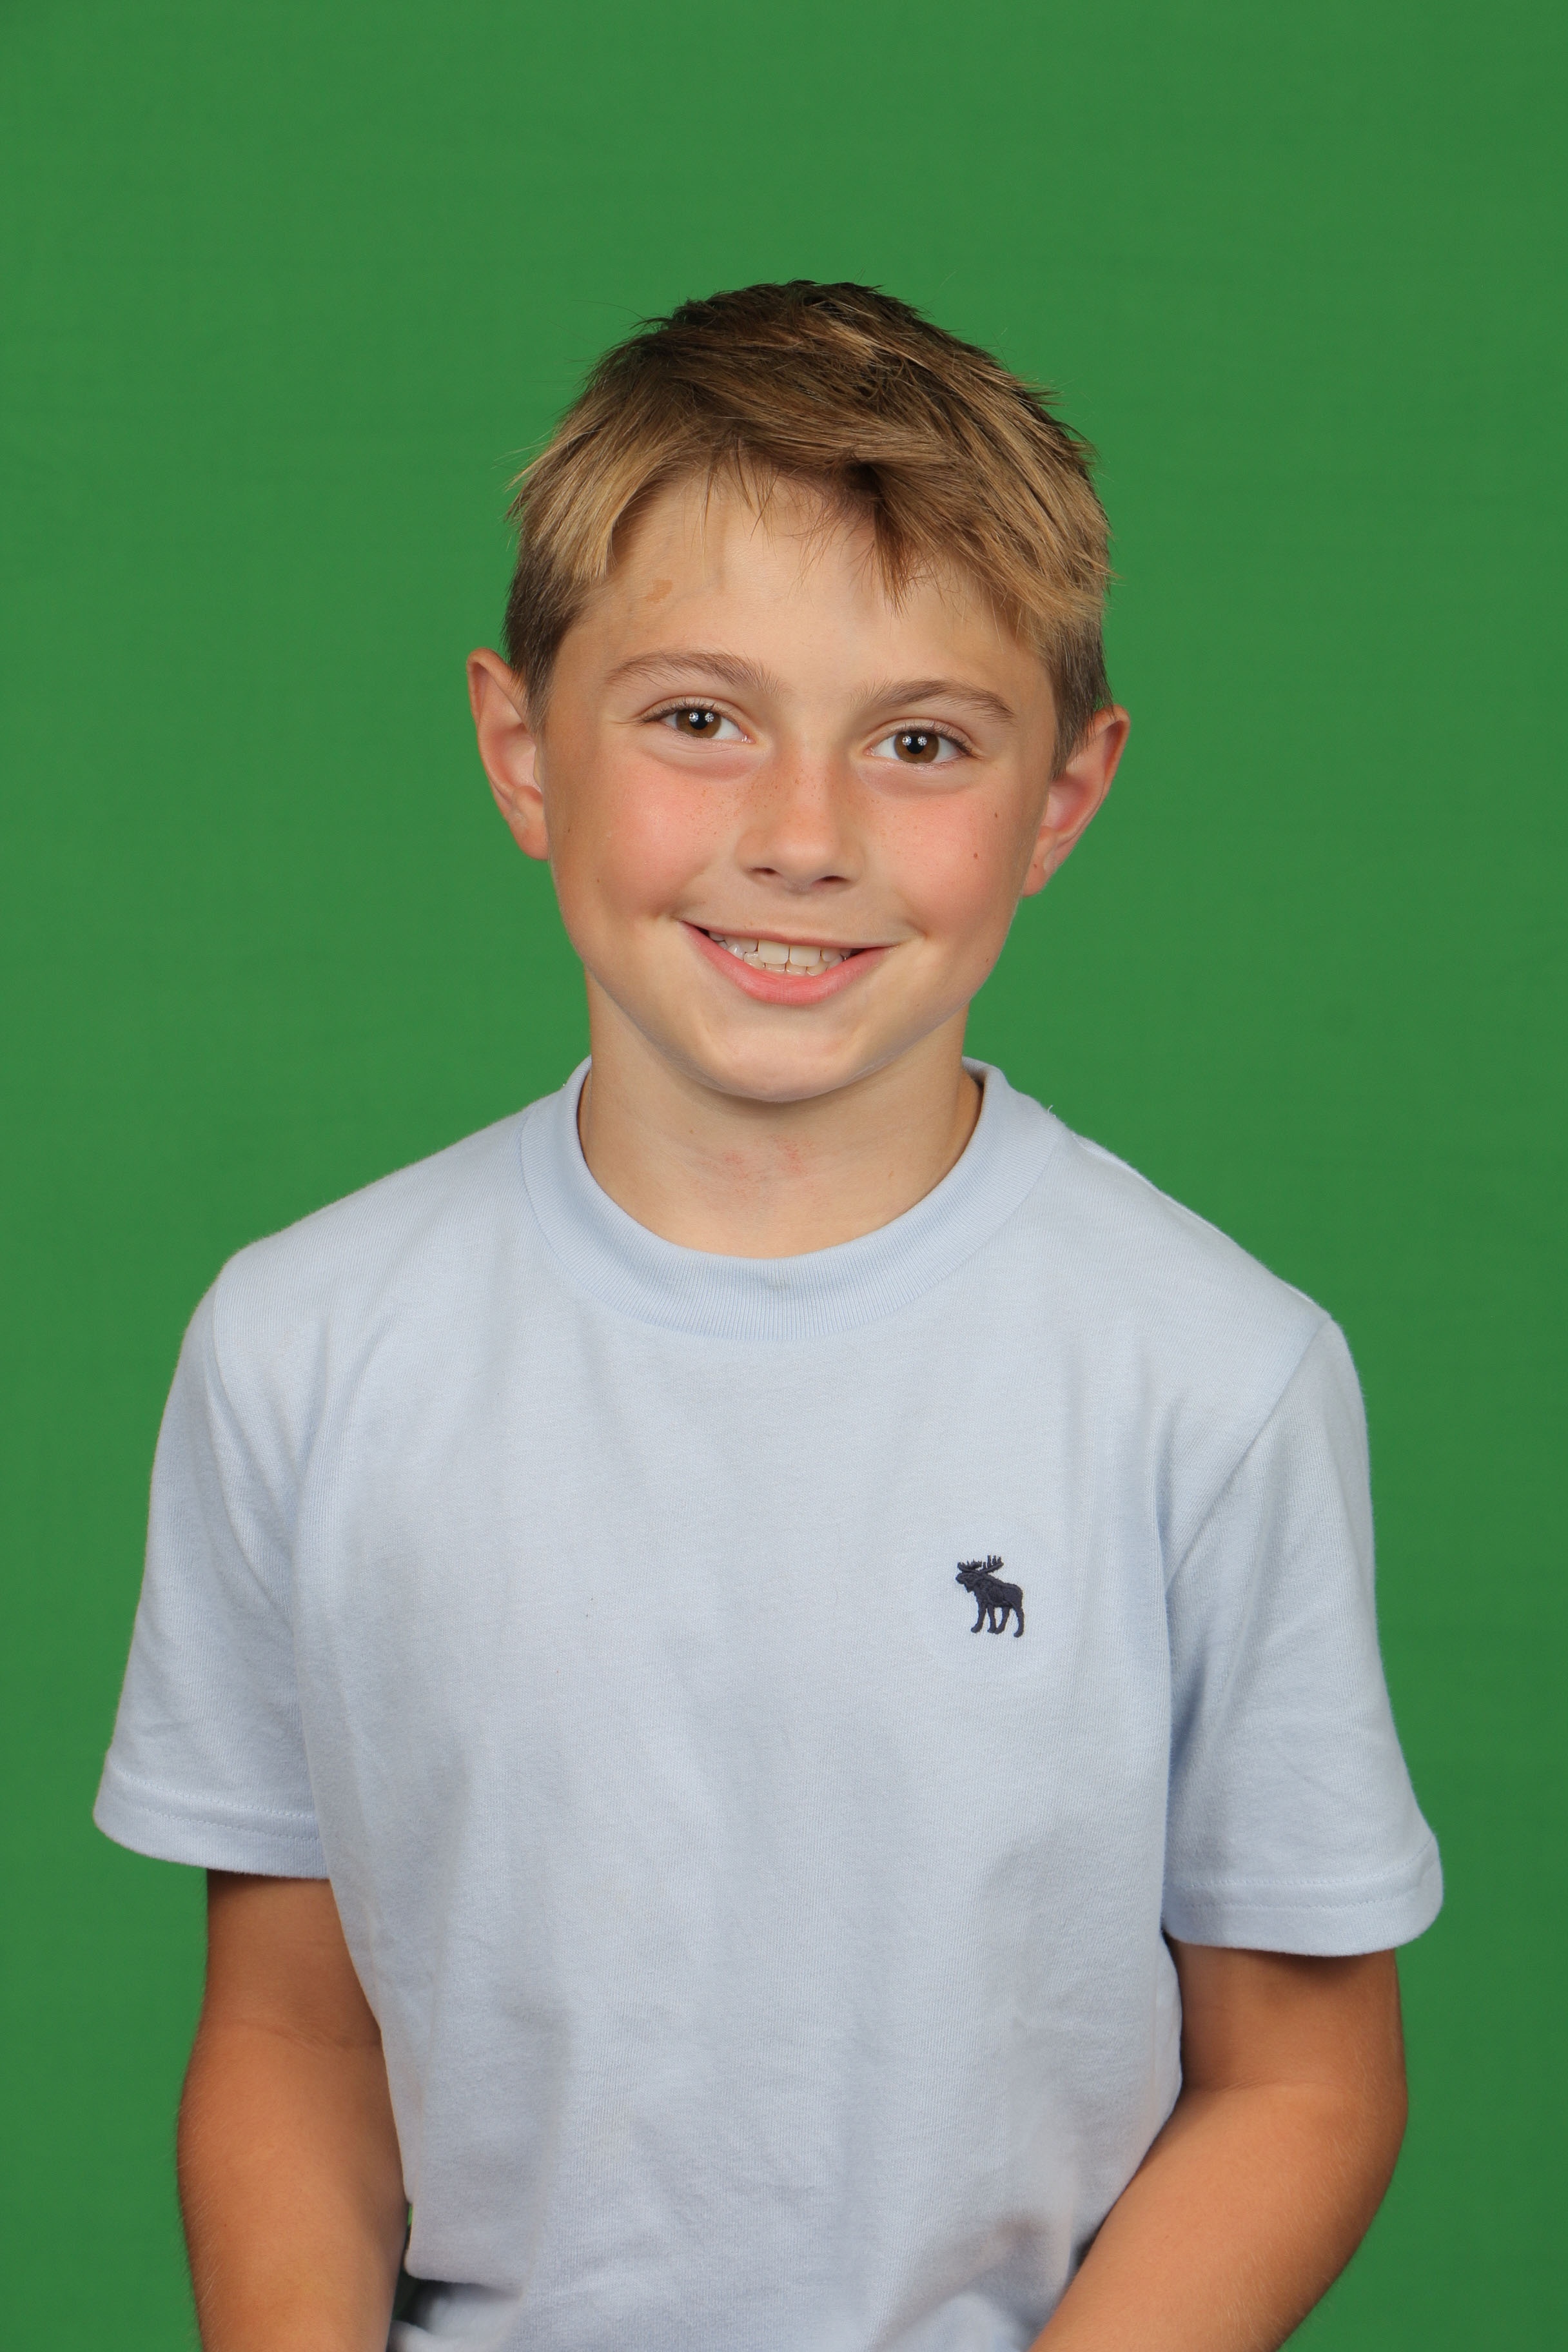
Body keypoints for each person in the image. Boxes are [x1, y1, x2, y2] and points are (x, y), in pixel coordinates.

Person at [95, 280, 1442, 2352]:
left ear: (1062, 799)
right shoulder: (303, 1349)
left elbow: (1303, 2081)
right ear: (521, 748)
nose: (802, 838)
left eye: (921, 743)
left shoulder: (1213, 1378)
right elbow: (298, 2033)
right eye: (699, 719)